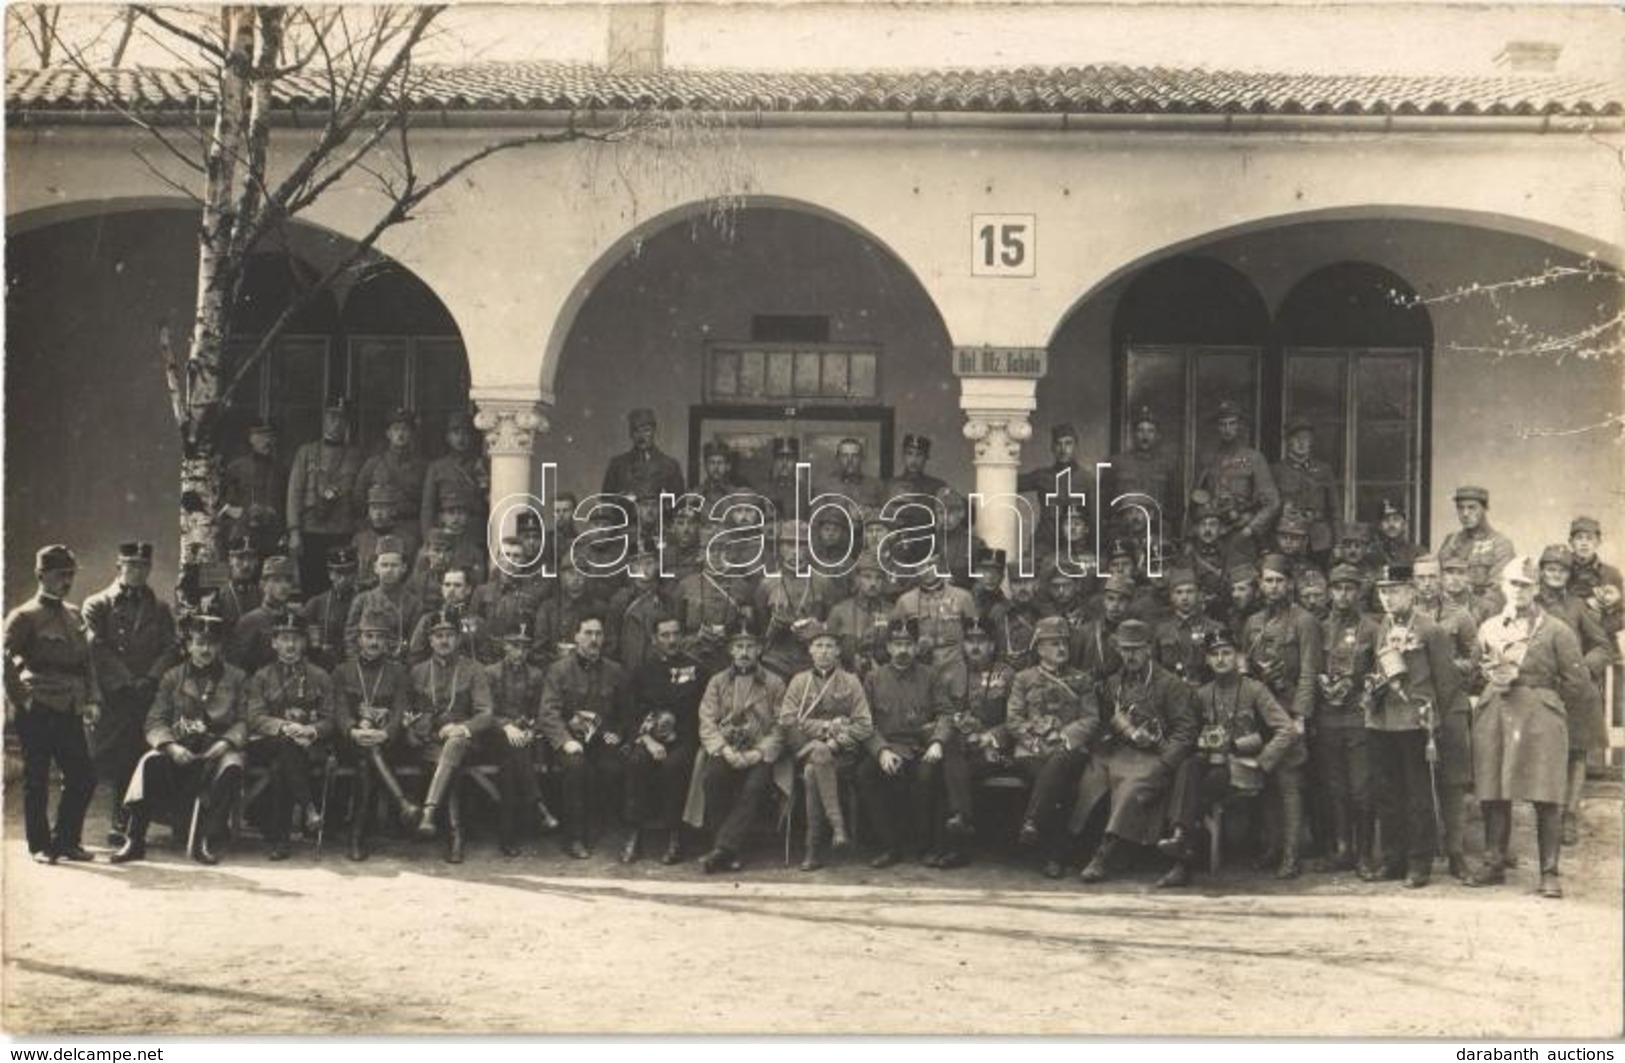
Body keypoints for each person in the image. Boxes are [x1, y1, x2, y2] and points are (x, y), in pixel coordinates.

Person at [1467, 557, 1596, 899]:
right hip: (1495, 713)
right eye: (1513, 583)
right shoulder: (1490, 627)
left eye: (1526, 584)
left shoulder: (1556, 629)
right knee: (1493, 789)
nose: (1519, 590)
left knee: (1545, 794)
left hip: (1540, 717)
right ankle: (1494, 862)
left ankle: (1549, 872)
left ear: (1537, 588)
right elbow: (1474, 670)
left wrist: (1545, 701)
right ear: (1503, 587)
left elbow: (1577, 682)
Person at [1155, 628, 1299, 887]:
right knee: (1189, 767)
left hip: (1244, 769)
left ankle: (1182, 852)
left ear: (1237, 657)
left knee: (1193, 785)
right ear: (1207, 660)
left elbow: (1286, 729)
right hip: (1212, 767)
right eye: (1214, 655)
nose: (1221, 659)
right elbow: (1190, 731)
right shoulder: (1202, 694)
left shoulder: (1255, 690)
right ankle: (1182, 843)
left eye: (1227, 653)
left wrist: (1263, 762)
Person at [112, 614, 247, 866]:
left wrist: (227, 743)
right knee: (149, 761)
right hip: (181, 743)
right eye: (199, 642)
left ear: (220, 647)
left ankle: (204, 837)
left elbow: (243, 719)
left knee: (232, 765)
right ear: (188, 646)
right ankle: (135, 838)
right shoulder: (172, 677)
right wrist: (170, 746)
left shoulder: (236, 677)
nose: (206, 649)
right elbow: (155, 719)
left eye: (212, 643)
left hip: (218, 745)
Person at [1361, 563, 1463, 889]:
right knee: (1388, 794)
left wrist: (1436, 722)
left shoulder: (1430, 629)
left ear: (1411, 591)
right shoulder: (1381, 627)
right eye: (1383, 591)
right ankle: (1394, 859)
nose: (1388, 597)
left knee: (1419, 795)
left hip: (1415, 721)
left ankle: (1420, 863)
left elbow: (1446, 683)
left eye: (1394, 590)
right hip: (1382, 721)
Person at [1077, 619, 1197, 884]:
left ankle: (1104, 854)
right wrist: (1126, 733)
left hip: (1154, 754)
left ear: (1148, 649)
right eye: (1125, 649)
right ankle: (1072, 848)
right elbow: (1108, 718)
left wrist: (1166, 762)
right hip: (1118, 751)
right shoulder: (1113, 682)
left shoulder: (1169, 684)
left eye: (1136, 649)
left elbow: (1186, 732)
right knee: (1088, 778)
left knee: (1131, 787)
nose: (1130, 655)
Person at [4, 544, 101, 865]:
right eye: (61, 575)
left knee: (83, 776)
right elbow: (5, 660)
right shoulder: (24, 616)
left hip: (70, 707)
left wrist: (92, 699)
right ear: (41, 575)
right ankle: (40, 845)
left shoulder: (74, 615)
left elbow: (88, 663)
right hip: (39, 707)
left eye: (71, 575)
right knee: (37, 779)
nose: (67, 581)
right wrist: (23, 699)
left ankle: (67, 840)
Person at [83, 541, 177, 847]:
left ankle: (127, 822)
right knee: (105, 758)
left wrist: (149, 677)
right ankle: (79, 824)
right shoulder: (97, 604)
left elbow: (169, 647)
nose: (137, 571)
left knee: (139, 757)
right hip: (114, 695)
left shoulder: (159, 609)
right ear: (118, 567)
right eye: (131, 565)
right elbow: (96, 647)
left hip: (146, 693)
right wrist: (125, 680)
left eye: (143, 566)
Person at [1240, 553, 1321, 877]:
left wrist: (1300, 716)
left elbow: (1309, 672)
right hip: (1260, 712)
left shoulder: (1304, 622)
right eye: (1267, 581)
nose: (1273, 587)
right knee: (1266, 782)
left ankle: (1291, 854)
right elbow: (1244, 669)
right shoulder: (1253, 623)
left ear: (1289, 584)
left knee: (1289, 783)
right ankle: (1272, 847)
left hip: (1288, 713)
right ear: (1260, 585)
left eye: (1279, 581)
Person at [1532, 544, 1615, 845]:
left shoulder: (1578, 606)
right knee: (1543, 751)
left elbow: (1603, 645)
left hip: (1575, 690)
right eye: (1550, 568)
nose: (1555, 574)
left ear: (1568, 575)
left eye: (1561, 570)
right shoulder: (1530, 602)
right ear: (1541, 572)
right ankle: (1547, 812)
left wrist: (1582, 668)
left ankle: (1569, 815)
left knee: (1576, 752)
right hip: (1541, 688)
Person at [1005, 617, 1098, 879]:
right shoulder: (1024, 679)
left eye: (1064, 643)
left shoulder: (1081, 680)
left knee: (1059, 767)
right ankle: (1055, 857)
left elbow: (1091, 718)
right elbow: (1013, 719)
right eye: (1054, 643)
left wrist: (1064, 738)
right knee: (1060, 787)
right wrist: (1033, 741)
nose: (1062, 649)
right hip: (1032, 751)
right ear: (1039, 648)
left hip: (1068, 750)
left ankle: (1032, 821)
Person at [858, 618, 954, 868]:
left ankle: (926, 847)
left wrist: (937, 742)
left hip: (921, 747)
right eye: (897, 644)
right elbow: (864, 721)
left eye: (908, 644)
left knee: (928, 775)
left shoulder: (930, 675)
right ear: (888, 647)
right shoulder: (873, 678)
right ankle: (889, 846)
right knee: (866, 774)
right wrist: (881, 750)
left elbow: (946, 713)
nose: (902, 650)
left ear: (916, 646)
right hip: (888, 746)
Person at [692, 621, 785, 874]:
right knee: (713, 778)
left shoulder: (774, 683)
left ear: (759, 651)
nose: (744, 652)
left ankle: (722, 849)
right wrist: (724, 750)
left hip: (759, 751)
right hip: (726, 748)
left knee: (754, 786)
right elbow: (707, 720)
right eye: (739, 647)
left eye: (749, 647)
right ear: (731, 651)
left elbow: (781, 725)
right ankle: (728, 849)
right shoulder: (717, 681)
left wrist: (758, 752)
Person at [779, 624, 874, 871]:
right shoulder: (799, 681)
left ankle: (812, 849)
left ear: (838, 651)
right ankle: (838, 828)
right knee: (817, 757)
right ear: (810, 650)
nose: (823, 651)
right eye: (818, 646)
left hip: (842, 755)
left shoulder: (851, 682)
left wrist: (835, 742)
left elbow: (864, 725)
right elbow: (787, 720)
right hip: (804, 750)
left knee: (813, 772)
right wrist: (826, 728)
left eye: (829, 646)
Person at [537, 612, 629, 859]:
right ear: (576, 637)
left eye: (598, 634)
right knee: (576, 768)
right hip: (569, 741)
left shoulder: (615, 671)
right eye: (588, 633)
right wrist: (565, 741)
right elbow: (548, 712)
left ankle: (603, 829)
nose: (593, 639)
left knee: (613, 767)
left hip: (601, 740)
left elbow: (626, 712)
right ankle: (574, 837)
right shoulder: (559, 670)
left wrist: (618, 734)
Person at [406, 611, 496, 863]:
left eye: (449, 635)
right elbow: (410, 714)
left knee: (455, 746)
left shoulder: (474, 669)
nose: (444, 641)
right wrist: (421, 728)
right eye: (438, 636)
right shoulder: (418, 672)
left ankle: (429, 813)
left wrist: (461, 728)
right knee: (449, 765)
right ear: (430, 640)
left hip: (467, 742)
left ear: (458, 639)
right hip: (430, 744)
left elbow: (486, 713)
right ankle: (456, 835)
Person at [244, 615, 337, 860]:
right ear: (274, 643)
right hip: (267, 743)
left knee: (281, 766)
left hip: (307, 746)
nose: (291, 646)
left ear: (305, 643)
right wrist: (285, 727)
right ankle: (308, 808)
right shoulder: (262, 677)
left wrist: (311, 730)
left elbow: (330, 718)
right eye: (284, 639)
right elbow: (254, 717)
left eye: (296, 639)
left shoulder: (320, 676)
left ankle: (280, 840)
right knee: (285, 748)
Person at [1409, 555, 1478, 877]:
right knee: (1417, 779)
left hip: (1451, 704)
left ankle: (1456, 853)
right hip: (1416, 706)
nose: (1427, 584)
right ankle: (1421, 854)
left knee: (1453, 780)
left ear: (1441, 579)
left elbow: (1474, 659)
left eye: (1432, 577)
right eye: (1420, 578)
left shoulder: (1460, 615)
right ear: (1413, 581)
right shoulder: (1404, 618)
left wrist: (1449, 667)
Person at [332, 608, 419, 861]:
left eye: (379, 637)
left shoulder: (398, 671)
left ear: (387, 641)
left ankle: (356, 837)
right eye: (368, 636)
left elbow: (401, 708)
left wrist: (385, 734)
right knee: (363, 755)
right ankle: (401, 803)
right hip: (350, 741)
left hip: (387, 743)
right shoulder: (342, 671)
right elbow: (339, 710)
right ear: (359, 639)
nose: (373, 642)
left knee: (366, 761)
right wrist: (353, 730)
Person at [622, 616, 709, 865]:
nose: (671, 640)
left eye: (675, 634)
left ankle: (675, 835)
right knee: (636, 762)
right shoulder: (642, 673)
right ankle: (634, 834)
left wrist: (680, 735)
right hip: (648, 738)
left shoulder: (698, 670)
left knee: (675, 766)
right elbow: (631, 713)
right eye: (664, 635)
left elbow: (703, 711)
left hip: (685, 737)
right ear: (654, 639)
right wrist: (648, 740)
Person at [1313, 563, 1381, 872]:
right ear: (1329, 592)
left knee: (1361, 788)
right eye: (1337, 588)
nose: (1343, 595)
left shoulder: (1372, 629)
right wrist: (1321, 682)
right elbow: (1310, 666)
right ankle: (1343, 848)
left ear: (1358, 592)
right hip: (1328, 718)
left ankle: (1365, 854)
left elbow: (1380, 672)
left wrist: (1362, 686)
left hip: (1358, 718)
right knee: (1335, 787)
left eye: (1349, 588)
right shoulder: (1318, 627)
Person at [935, 616, 1015, 865]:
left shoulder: (1008, 674)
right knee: (951, 755)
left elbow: (1016, 719)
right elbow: (943, 712)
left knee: (955, 769)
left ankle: (957, 839)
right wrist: (958, 725)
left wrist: (989, 737)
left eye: (982, 641)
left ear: (992, 645)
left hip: (997, 750)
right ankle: (961, 822)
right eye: (970, 641)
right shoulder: (951, 674)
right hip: (962, 745)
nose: (975, 647)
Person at [484, 621, 560, 857]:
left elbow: (541, 710)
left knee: (512, 763)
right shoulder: (491, 673)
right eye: (514, 646)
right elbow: (485, 712)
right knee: (512, 751)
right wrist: (506, 726)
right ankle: (538, 806)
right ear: (504, 647)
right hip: (494, 736)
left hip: (526, 739)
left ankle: (508, 836)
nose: (520, 652)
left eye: (525, 648)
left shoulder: (536, 675)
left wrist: (531, 729)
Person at [287, 399, 364, 597]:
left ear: (347, 423)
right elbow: (295, 492)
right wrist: (294, 531)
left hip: (342, 531)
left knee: (341, 586)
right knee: (311, 587)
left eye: (341, 419)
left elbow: (361, 494)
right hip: (311, 530)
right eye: (331, 418)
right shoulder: (306, 452)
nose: (336, 423)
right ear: (323, 421)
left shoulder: (356, 455)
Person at [1192, 400, 1279, 561]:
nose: (1227, 429)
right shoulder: (1209, 459)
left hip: (1242, 534)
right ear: (1217, 428)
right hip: (1213, 535)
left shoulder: (1254, 458)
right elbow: (1198, 499)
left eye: (1232, 424)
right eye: (1223, 424)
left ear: (1240, 426)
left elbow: (1272, 503)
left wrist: (1250, 529)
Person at [1104, 407, 1178, 544]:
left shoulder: (1167, 466)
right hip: (1122, 533)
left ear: (1157, 435)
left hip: (1156, 533)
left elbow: (1174, 506)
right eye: (1140, 430)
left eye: (1150, 431)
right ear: (1133, 434)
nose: (1145, 436)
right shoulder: (1116, 463)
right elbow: (1105, 503)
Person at [343, 536, 422, 659]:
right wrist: (357, 663)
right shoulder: (362, 600)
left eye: (394, 565)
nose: (389, 570)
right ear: (376, 568)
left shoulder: (414, 604)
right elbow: (350, 638)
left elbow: (416, 643)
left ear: (403, 568)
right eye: (384, 565)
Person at [220, 418, 288, 558]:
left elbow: (287, 504)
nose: (266, 441)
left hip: (273, 538)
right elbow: (223, 504)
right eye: (261, 436)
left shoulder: (281, 470)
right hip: (243, 538)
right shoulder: (236, 468)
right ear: (251, 439)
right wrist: (241, 512)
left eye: (270, 436)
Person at [420, 410, 490, 544]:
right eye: (455, 433)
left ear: (472, 437)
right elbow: (428, 508)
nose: (461, 438)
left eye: (465, 433)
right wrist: (428, 539)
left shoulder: (482, 465)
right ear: (447, 437)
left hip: (476, 531)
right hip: (447, 531)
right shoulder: (437, 468)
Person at [1272, 417, 1339, 558]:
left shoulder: (1323, 469)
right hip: (1287, 538)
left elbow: (1334, 509)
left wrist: (1338, 543)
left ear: (1311, 441)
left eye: (1306, 438)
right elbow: (1270, 507)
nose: (1302, 443)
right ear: (1288, 441)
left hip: (1319, 540)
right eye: (1296, 438)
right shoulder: (1277, 471)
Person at [1018, 423, 1089, 554]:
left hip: (1074, 542)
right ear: (1052, 448)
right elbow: (1008, 483)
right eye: (1058, 444)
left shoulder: (1087, 479)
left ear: (1076, 447)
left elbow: (1094, 518)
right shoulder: (1042, 476)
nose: (1063, 449)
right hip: (1045, 541)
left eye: (1068, 444)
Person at [226, 554, 300, 674]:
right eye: (276, 580)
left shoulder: (296, 618)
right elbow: (237, 668)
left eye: (288, 580)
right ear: (263, 584)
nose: (284, 586)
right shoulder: (250, 621)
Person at [601, 408, 685, 513]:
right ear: (630, 434)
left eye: (646, 430)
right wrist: (622, 500)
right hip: (626, 526)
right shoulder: (618, 465)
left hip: (660, 527)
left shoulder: (670, 466)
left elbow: (679, 507)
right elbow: (605, 504)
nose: (641, 436)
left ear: (655, 431)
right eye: (636, 431)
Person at [356, 407, 427, 530]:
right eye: (396, 429)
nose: (400, 434)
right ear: (388, 434)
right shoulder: (374, 464)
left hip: (411, 526)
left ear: (411, 434)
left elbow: (428, 503)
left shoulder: (422, 467)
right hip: (379, 527)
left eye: (405, 429)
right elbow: (359, 496)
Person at [1151, 568, 1224, 687]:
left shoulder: (1215, 628)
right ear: (1171, 597)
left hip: (1205, 690)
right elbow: (1155, 667)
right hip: (1171, 692)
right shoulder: (1162, 630)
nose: (1184, 597)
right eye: (1179, 592)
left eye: (1190, 591)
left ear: (1199, 595)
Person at [825, 550, 893, 677]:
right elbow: (828, 650)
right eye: (867, 577)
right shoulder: (839, 611)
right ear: (857, 579)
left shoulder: (892, 612)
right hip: (845, 678)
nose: (873, 583)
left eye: (878, 578)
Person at [1436, 485, 1516, 583]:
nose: (1465, 514)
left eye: (1472, 508)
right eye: (1460, 508)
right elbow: (1438, 577)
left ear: (1485, 508)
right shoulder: (1451, 541)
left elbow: (1497, 588)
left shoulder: (1501, 544)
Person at [406, 567, 483, 664]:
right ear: (442, 589)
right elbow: (415, 655)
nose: (451, 590)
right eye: (447, 585)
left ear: (468, 589)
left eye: (457, 585)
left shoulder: (477, 622)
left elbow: (482, 656)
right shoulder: (428, 619)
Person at [301, 547, 360, 671]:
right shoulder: (316, 604)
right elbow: (302, 639)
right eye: (339, 573)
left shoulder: (364, 602)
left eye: (348, 573)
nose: (343, 579)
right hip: (324, 667)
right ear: (330, 575)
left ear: (355, 574)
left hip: (356, 666)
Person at [353, 483, 421, 583]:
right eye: (374, 508)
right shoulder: (359, 540)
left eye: (382, 507)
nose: (378, 513)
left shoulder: (408, 540)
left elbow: (411, 576)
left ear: (393, 510)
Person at [815, 436, 885, 517]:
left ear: (862, 458)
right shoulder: (824, 486)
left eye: (854, 456)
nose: (850, 460)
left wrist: (870, 512)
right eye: (845, 456)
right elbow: (816, 518)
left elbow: (884, 516)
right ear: (837, 458)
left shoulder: (875, 485)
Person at [883, 434, 949, 507]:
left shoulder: (937, 487)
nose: (913, 460)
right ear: (903, 456)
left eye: (919, 455)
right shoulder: (890, 485)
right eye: (909, 453)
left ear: (926, 457)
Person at [1566, 516, 1622, 602]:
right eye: (1579, 538)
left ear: (1598, 542)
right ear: (1571, 542)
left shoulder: (1611, 574)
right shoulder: (1561, 571)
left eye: (1590, 538)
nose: (1584, 543)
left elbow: (1619, 611)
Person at [1372, 498, 1423, 568]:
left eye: (1396, 519)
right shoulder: (1371, 554)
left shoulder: (1417, 553)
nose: (1391, 524)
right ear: (1379, 525)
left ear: (1404, 524)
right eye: (1386, 520)